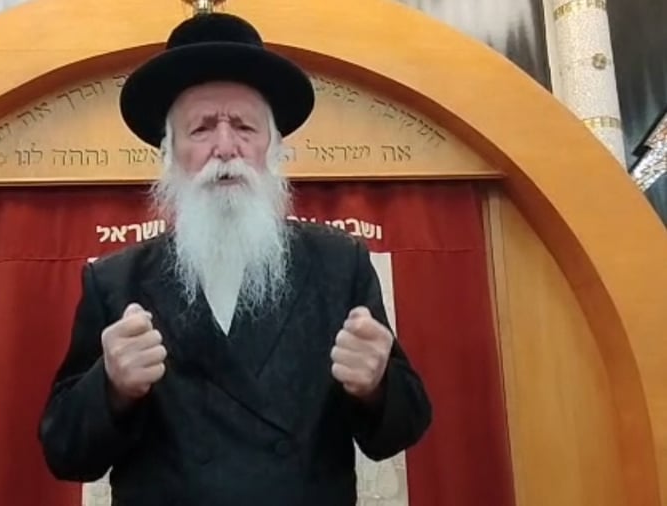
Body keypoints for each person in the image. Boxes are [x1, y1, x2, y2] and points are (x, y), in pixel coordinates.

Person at [38, 11, 432, 505]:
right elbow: (64, 453)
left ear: (273, 148)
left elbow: (404, 427)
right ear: (169, 153)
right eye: (201, 129)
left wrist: (376, 385)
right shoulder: (115, 282)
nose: (226, 148)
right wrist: (111, 388)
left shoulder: (339, 263)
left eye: (245, 127)